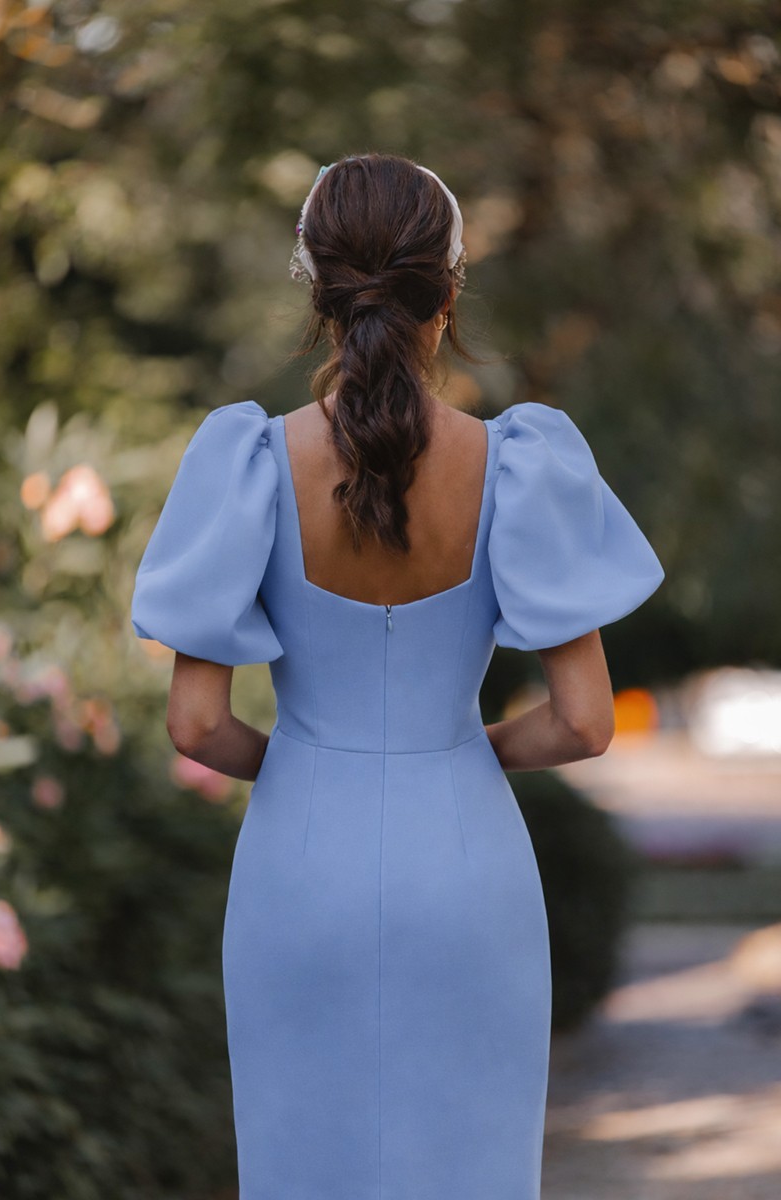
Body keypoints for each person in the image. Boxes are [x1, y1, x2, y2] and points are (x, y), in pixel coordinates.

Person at [130, 153, 664, 1200]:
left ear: (315, 284)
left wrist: (307, 765)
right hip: (467, 861)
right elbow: (584, 722)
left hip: (300, 861)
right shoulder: (517, 462)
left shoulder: (245, 460)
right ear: (447, 291)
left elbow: (196, 726)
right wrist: (457, 754)